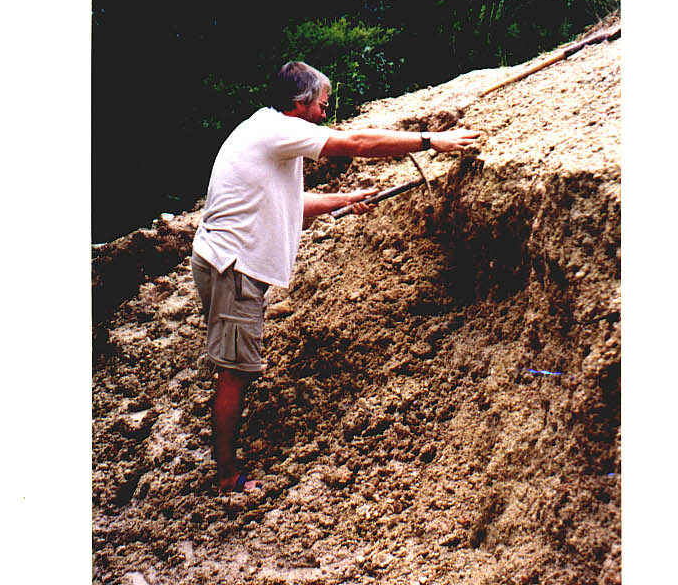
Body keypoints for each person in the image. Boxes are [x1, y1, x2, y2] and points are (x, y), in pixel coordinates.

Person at [191, 59, 480, 495]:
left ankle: (226, 457)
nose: (326, 114)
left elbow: (285, 201)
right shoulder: (281, 131)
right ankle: (228, 477)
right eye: (322, 105)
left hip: (222, 258)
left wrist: (344, 199)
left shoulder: (265, 129)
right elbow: (359, 142)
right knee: (234, 372)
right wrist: (428, 140)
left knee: (236, 368)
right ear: (301, 103)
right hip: (234, 267)